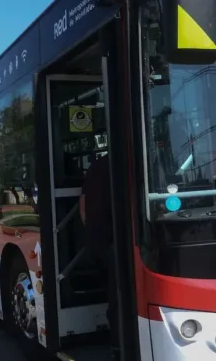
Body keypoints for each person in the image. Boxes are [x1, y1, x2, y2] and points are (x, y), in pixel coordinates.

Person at [78, 152, 119, 359]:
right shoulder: (129, 161)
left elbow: (83, 205)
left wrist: (92, 231)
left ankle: (115, 343)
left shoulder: (96, 166)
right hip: (114, 240)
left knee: (112, 291)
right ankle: (118, 346)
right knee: (119, 296)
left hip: (96, 240)